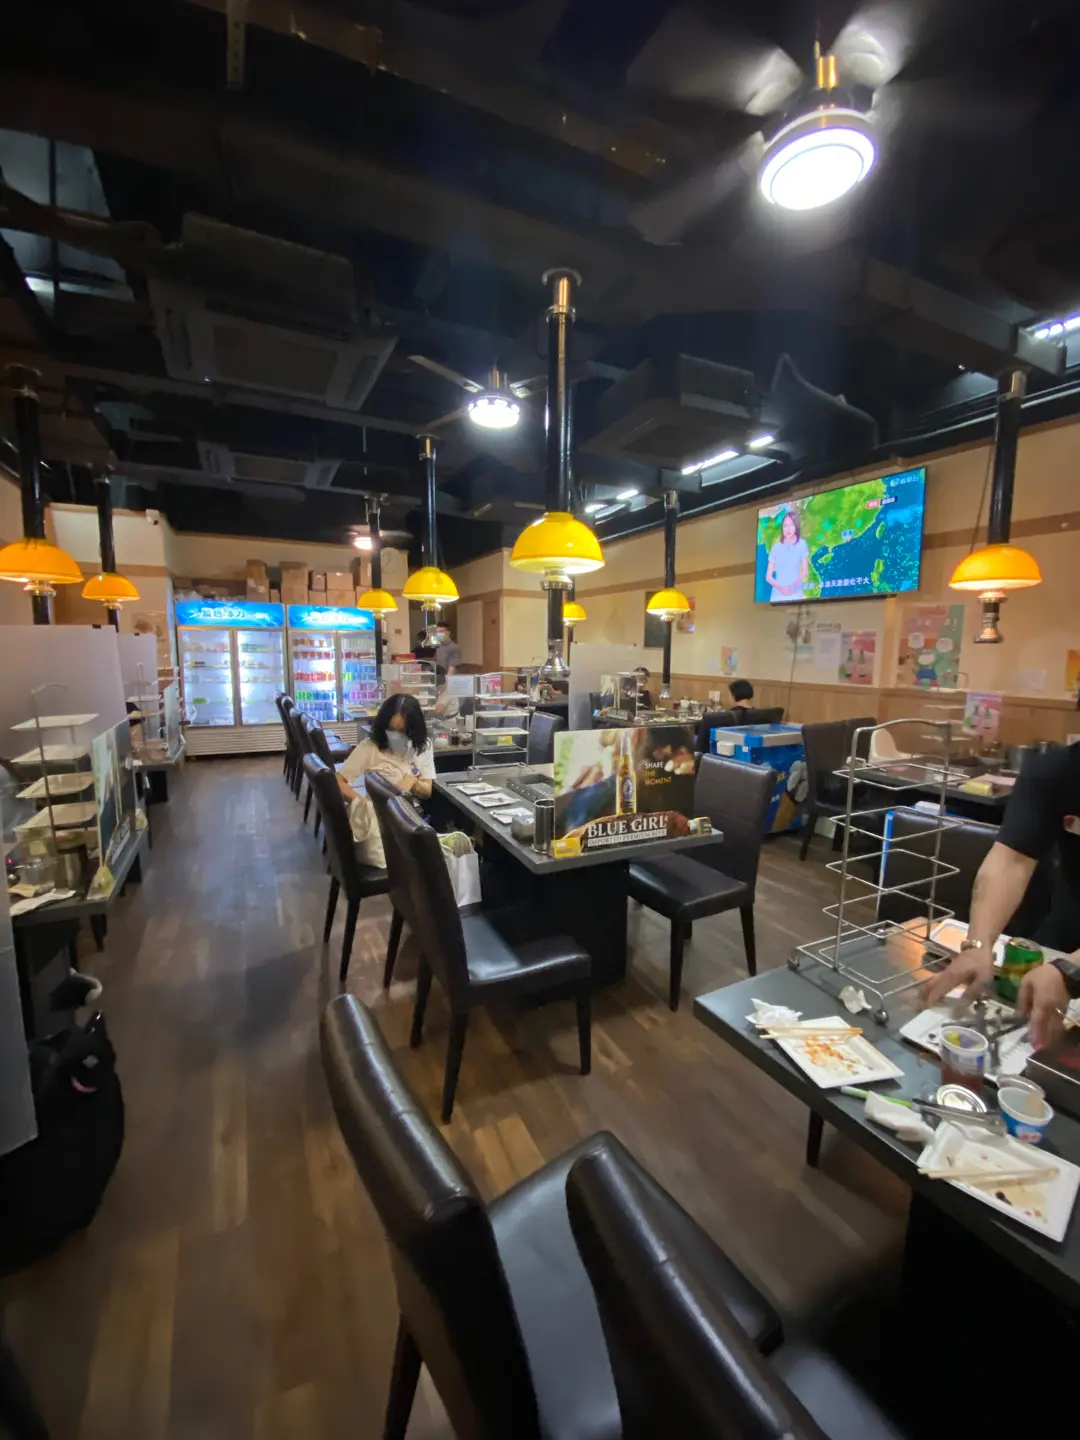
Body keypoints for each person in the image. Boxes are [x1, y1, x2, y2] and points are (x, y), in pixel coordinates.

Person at [924, 742, 1080, 1048]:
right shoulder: (1059, 768)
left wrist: (1071, 972)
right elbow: (1012, 860)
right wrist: (977, 944)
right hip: (1063, 937)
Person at [338, 693, 435, 804]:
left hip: (410, 811)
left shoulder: (422, 746)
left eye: (402, 731)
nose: (396, 736)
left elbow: (427, 791)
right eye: (391, 729)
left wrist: (413, 782)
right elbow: (338, 781)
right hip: (378, 811)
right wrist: (365, 805)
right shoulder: (370, 747)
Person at [765, 509, 809, 603]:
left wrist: (794, 586)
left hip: (796, 594)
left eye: (791, 525)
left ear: (796, 526)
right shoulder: (776, 547)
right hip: (777, 596)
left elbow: (805, 571)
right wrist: (781, 588)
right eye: (785, 526)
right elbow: (768, 576)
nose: (788, 529)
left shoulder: (802, 544)